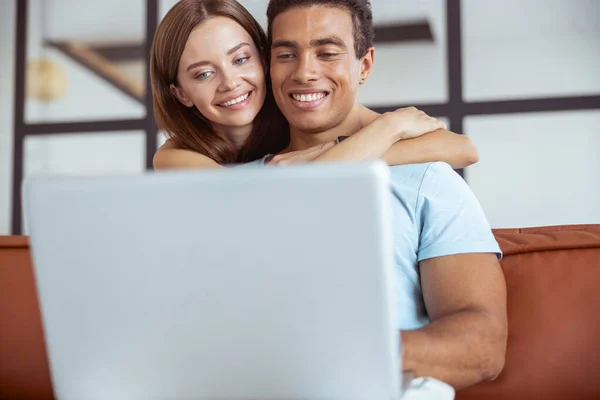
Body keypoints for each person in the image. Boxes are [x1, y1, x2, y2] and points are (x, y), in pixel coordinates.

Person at [265, 0, 508, 390]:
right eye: (286, 54)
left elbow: (483, 346)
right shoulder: (241, 181)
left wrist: (354, 350)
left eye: (327, 53)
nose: (305, 71)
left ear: (364, 65)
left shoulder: (428, 180)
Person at [150, 0, 479, 170]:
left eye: (240, 60)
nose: (230, 82)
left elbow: (464, 149)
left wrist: (386, 128)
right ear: (179, 92)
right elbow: (256, 200)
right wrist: (380, 134)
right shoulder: (175, 155)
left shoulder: (293, 112)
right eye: (203, 74)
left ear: (263, 59)